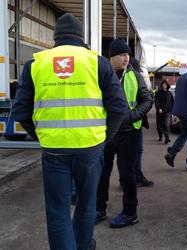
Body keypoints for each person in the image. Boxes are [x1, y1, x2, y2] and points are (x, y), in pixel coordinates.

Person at [12, 13, 128, 250]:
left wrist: (41, 135)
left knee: (57, 210)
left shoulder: (36, 63)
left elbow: (21, 110)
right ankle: (84, 245)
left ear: (56, 38)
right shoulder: (98, 62)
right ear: (80, 38)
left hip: (54, 150)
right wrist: (104, 137)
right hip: (89, 148)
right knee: (86, 204)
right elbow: (119, 107)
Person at [95, 39, 153, 228]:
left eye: (128, 54)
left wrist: (129, 117)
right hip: (106, 132)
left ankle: (130, 213)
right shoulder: (100, 75)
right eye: (122, 54)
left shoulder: (135, 76)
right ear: (111, 57)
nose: (126, 58)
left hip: (129, 133)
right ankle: (98, 209)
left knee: (126, 175)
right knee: (102, 173)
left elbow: (146, 101)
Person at [129, 57, 154, 187]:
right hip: (132, 123)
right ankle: (133, 178)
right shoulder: (132, 77)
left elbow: (146, 99)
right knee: (134, 152)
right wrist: (133, 116)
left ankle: (136, 176)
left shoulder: (132, 77)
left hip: (134, 122)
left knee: (136, 151)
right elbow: (146, 99)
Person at [155, 79, 174, 144]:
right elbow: (156, 101)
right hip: (159, 112)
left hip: (167, 112)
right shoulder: (158, 93)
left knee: (166, 124)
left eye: (165, 84)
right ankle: (160, 136)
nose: (164, 86)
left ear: (167, 85)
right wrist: (159, 108)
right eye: (163, 84)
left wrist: (172, 110)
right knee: (159, 125)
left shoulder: (169, 93)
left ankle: (167, 137)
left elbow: (172, 102)